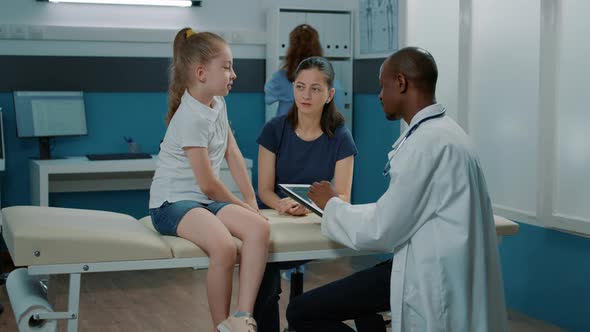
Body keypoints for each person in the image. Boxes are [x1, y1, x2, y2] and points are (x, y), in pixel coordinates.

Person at [287, 47, 508, 332]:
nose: (379, 95)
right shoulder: (445, 133)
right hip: (433, 266)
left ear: (401, 83)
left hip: (428, 276)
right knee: (349, 305)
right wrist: (338, 207)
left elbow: (383, 228)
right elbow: (401, 208)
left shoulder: (427, 145)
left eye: (383, 86)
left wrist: (331, 204)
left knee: (300, 312)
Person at [149, 27, 270, 332]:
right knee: (225, 246)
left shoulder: (217, 104)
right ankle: (221, 327)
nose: (234, 74)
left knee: (258, 228)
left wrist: (252, 202)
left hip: (203, 203)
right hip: (171, 203)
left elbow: (232, 152)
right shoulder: (190, 116)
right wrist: (240, 204)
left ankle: (242, 317)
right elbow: (209, 185)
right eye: (227, 66)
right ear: (201, 72)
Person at [253, 56, 357, 332]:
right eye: (300, 87)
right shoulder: (274, 130)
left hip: (315, 222)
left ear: (329, 94)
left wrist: (309, 208)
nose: (306, 95)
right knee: (264, 282)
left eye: (315, 89)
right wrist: (283, 205)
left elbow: (344, 196)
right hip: (276, 218)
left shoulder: (340, 137)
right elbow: (263, 190)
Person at [265, 24, 346, 118]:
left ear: (291, 51)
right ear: (318, 49)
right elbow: (338, 114)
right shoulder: (332, 83)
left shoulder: (280, 79)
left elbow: (267, 98)